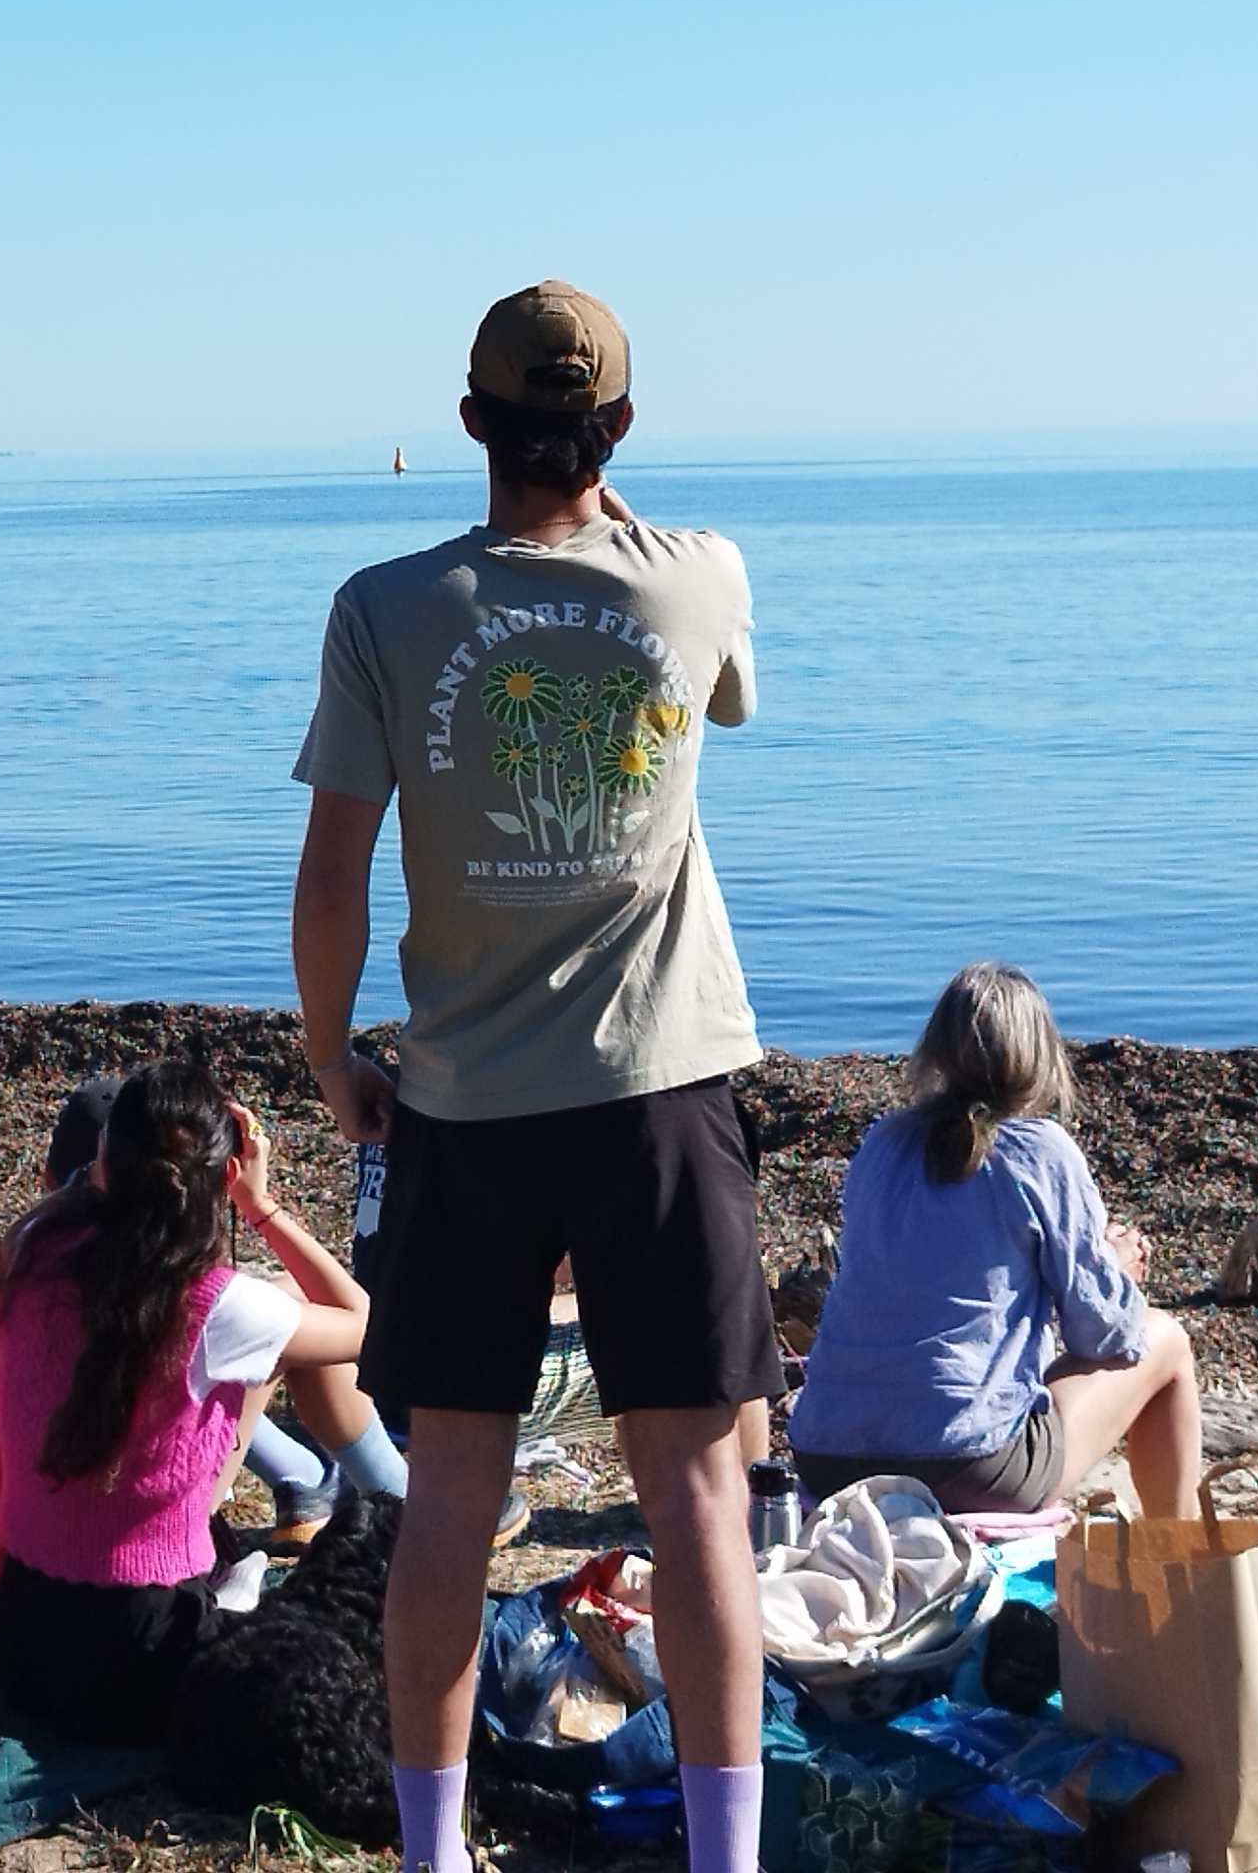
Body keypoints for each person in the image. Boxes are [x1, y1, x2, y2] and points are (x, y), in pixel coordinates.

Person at [291, 281, 778, 1873]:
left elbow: (332, 878)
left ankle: (432, 1854)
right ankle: (726, 1858)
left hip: (464, 1101)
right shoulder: (699, 575)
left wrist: (330, 1055)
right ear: (620, 428)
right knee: (696, 1497)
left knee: (449, 1497)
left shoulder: (382, 608)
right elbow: (713, 680)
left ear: (467, 424)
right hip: (660, 1092)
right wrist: (607, 504)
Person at [0, 1061, 374, 1742]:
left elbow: (86, 1222)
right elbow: (362, 1322)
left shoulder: (33, 1245)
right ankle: (366, 1487)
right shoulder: (216, 1305)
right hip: (144, 1658)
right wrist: (260, 1206)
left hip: (23, 1646)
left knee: (256, 1341)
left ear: (103, 1156)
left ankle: (291, 1498)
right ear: (222, 1177)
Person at [785, 962, 1205, 1517]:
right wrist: (1115, 1268)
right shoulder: (1038, 1151)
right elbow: (1104, 1335)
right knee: (1166, 1341)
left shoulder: (884, 1143)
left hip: (826, 1453)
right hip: (967, 1461)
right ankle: (1178, 1549)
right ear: (1039, 1055)